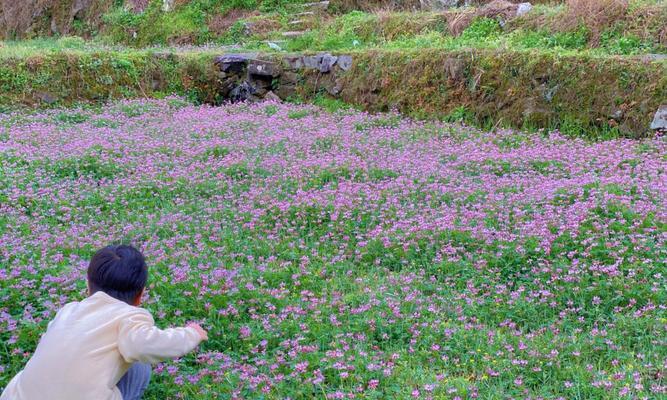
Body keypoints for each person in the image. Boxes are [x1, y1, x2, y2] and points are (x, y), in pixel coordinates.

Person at [1, 245, 208, 400]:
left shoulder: (68, 310)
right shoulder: (130, 316)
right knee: (139, 363)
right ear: (140, 295)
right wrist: (191, 334)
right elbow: (144, 345)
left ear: (87, 286)